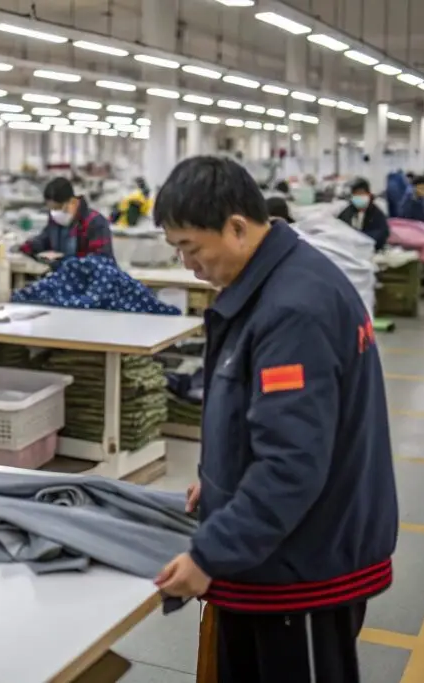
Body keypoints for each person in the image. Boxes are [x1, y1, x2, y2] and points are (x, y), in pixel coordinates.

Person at [150, 156, 398, 683]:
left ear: (237, 228)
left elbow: (292, 465)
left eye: (191, 248)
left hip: (301, 569)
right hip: (274, 552)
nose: (188, 265)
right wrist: (221, 478)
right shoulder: (273, 284)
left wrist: (208, 555)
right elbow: (265, 417)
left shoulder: (293, 310)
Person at [19, 177, 114, 264]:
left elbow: (101, 261)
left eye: (58, 208)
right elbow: (44, 240)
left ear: (72, 202)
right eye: (51, 209)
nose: (54, 213)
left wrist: (70, 264)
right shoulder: (55, 219)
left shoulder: (95, 223)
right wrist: (26, 247)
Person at [338, 178, 390, 250]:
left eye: (361, 193)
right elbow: (339, 227)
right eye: (355, 194)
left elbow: (381, 234)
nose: (358, 197)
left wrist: (358, 237)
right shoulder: (348, 211)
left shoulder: (376, 214)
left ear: (368, 195)